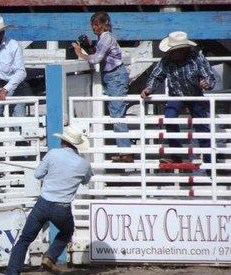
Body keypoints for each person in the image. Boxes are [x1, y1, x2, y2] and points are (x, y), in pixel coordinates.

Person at [4, 125, 93, 275]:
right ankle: (50, 257)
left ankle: (12, 273)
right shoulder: (83, 164)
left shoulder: (53, 154)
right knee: (66, 232)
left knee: (25, 239)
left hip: (43, 204)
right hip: (62, 208)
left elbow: (38, 175)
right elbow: (85, 180)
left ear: (63, 141)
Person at [141, 31, 216, 164]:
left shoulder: (197, 58)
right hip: (176, 95)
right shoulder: (167, 60)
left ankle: (210, 159)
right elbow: (156, 76)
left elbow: (209, 76)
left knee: (203, 126)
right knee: (169, 118)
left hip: (195, 96)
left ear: (184, 50)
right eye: (172, 51)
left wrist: (206, 83)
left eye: (175, 51)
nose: (173, 53)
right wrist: (149, 88)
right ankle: (176, 154)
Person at [72, 11, 132, 163]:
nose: (94, 27)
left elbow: (97, 58)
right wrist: (89, 46)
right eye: (93, 24)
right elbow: (100, 54)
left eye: (97, 24)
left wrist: (81, 53)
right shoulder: (104, 38)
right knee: (116, 112)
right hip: (114, 76)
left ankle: (125, 152)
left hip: (115, 77)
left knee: (117, 114)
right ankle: (123, 150)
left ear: (104, 25)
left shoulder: (106, 38)